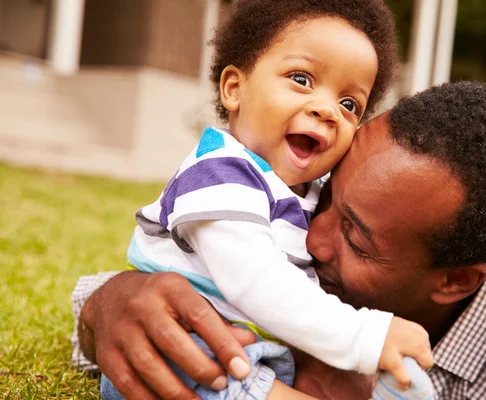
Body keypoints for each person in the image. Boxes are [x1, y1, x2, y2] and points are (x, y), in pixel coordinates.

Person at [73, 82, 486, 399]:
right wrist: (109, 301)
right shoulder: (350, 203)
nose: (313, 242)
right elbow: (203, 281)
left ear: (456, 281)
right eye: (324, 200)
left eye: (355, 238)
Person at [99, 0, 435, 398]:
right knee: (210, 367)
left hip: (262, 344)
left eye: (349, 105)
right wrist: (366, 335)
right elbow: (255, 280)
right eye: (301, 78)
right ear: (234, 88)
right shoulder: (220, 170)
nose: (327, 109)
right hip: (187, 338)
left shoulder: (314, 191)